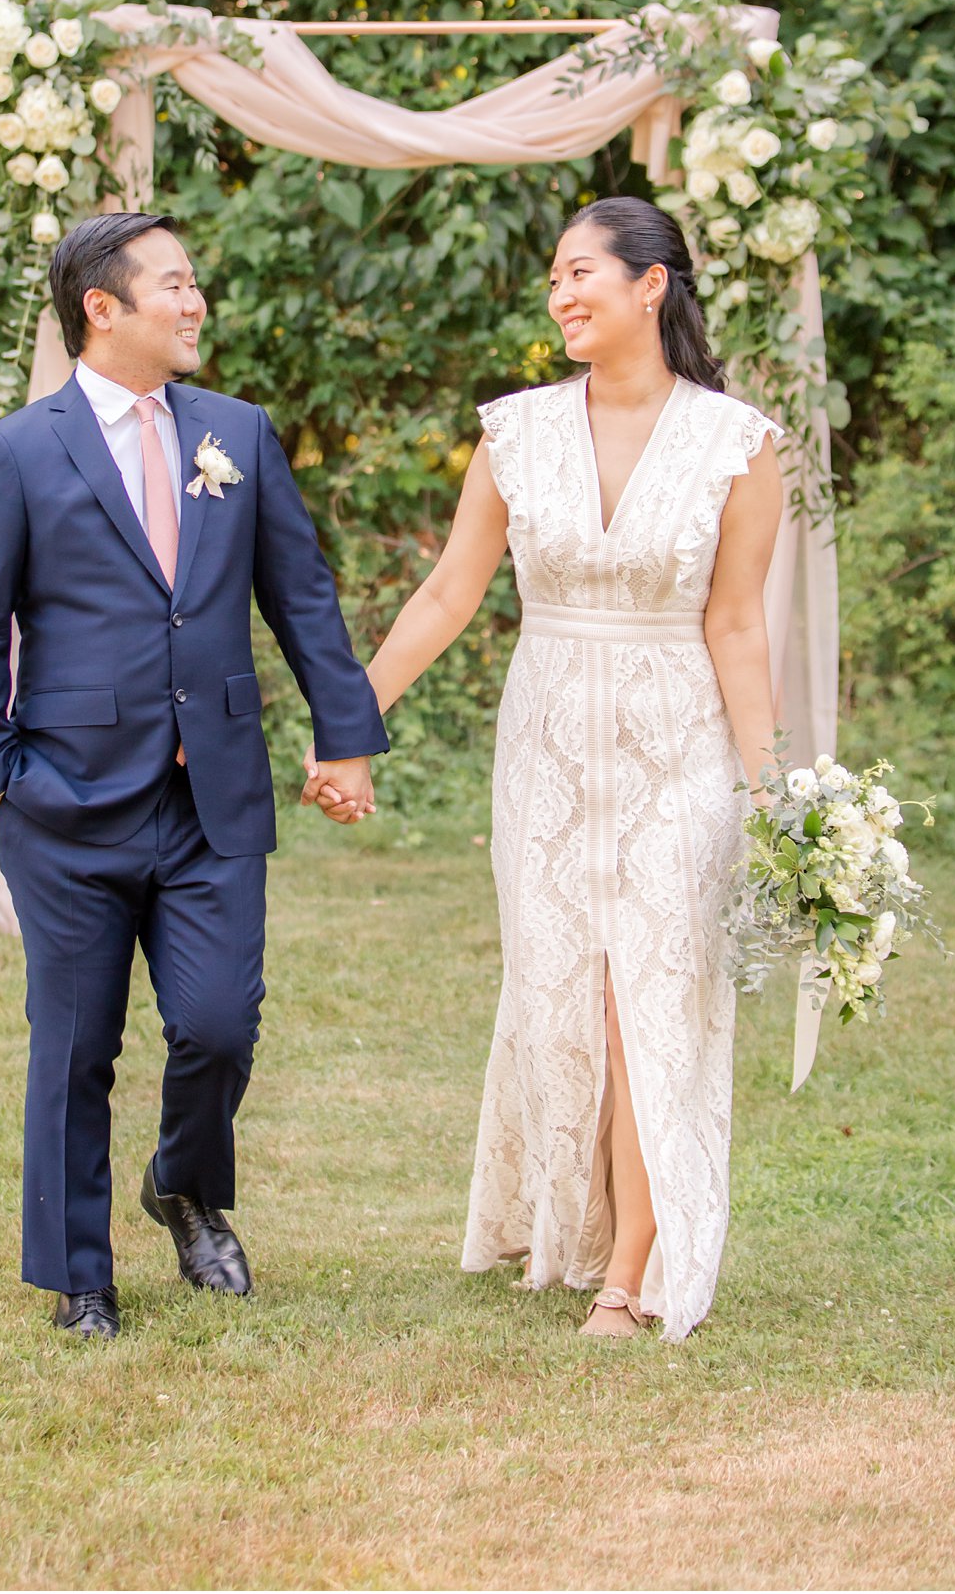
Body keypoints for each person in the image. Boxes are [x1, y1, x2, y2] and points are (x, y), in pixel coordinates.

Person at [310, 197, 781, 1339]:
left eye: (582, 274)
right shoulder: (515, 431)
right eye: (554, 279)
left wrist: (772, 795)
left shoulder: (737, 442)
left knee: (646, 993)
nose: (561, 296)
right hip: (549, 745)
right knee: (564, 988)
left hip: (678, 745)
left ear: (650, 284)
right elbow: (445, 594)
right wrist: (348, 723)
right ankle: (572, 1227)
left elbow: (733, 625)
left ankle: (630, 1271)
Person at [0, 212, 385, 1339]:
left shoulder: (234, 430)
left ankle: (183, 1186)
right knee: (76, 1042)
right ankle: (79, 1274)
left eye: (193, 283)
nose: (194, 302)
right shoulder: (15, 453)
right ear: (103, 308)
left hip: (213, 790)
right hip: (66, 798)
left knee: (221, 1024)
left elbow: (302, 597)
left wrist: (346, 735)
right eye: (173, 284)